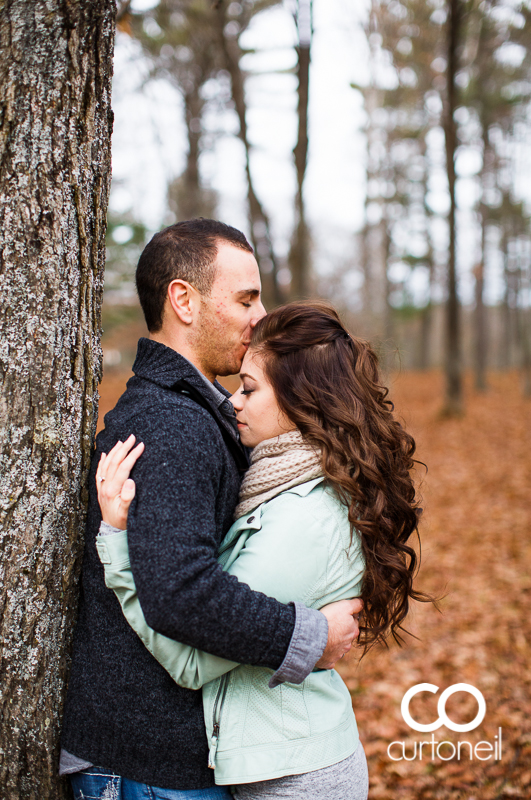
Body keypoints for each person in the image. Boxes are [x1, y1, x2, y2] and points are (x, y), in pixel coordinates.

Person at [60, 220, 362, 798]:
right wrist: (310, 636)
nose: (259, 315)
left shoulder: (199, 412)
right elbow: (184, 593)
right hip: (146, 767)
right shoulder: (171, 424)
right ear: (184, 300)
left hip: (163, 761)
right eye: (246, 298)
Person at [94, 302, 426, 800]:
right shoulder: (284, 486)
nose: (233, 403)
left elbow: (191, 663)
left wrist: (118, 542)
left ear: (301, 402)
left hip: (297, 779)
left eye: (250, 389)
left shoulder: (304, 519)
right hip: (283, 762)